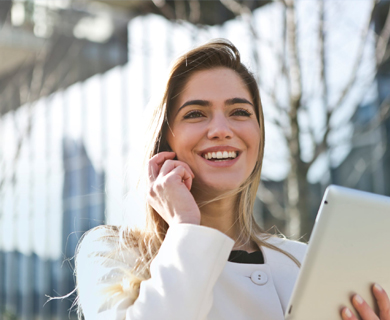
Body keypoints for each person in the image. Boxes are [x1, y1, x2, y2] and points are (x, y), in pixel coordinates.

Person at [75, 39, 390, 320]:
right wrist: (186, 226)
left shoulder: (304, 263)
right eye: (196, 114)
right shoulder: (110, 254)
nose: (221, 129)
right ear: (165, 140)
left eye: (239, 112)